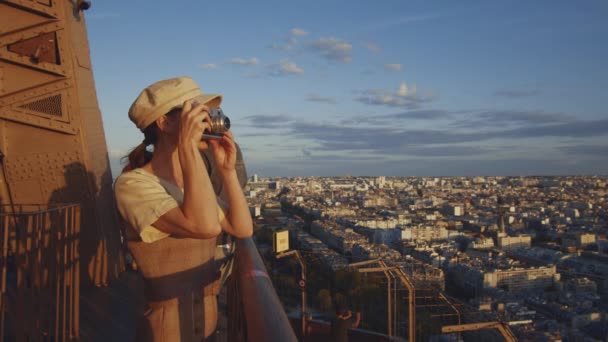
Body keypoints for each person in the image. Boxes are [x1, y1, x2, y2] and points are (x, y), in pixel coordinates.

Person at [114, 76, 253, 341]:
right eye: (196, 112)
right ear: (164, 123)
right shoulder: (133, 184)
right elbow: (206, 226)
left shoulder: (190, 185)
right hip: (165, 328)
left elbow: (241, 228)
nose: (207, 120)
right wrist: (189, 147)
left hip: (207, 322)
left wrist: (227, 171)